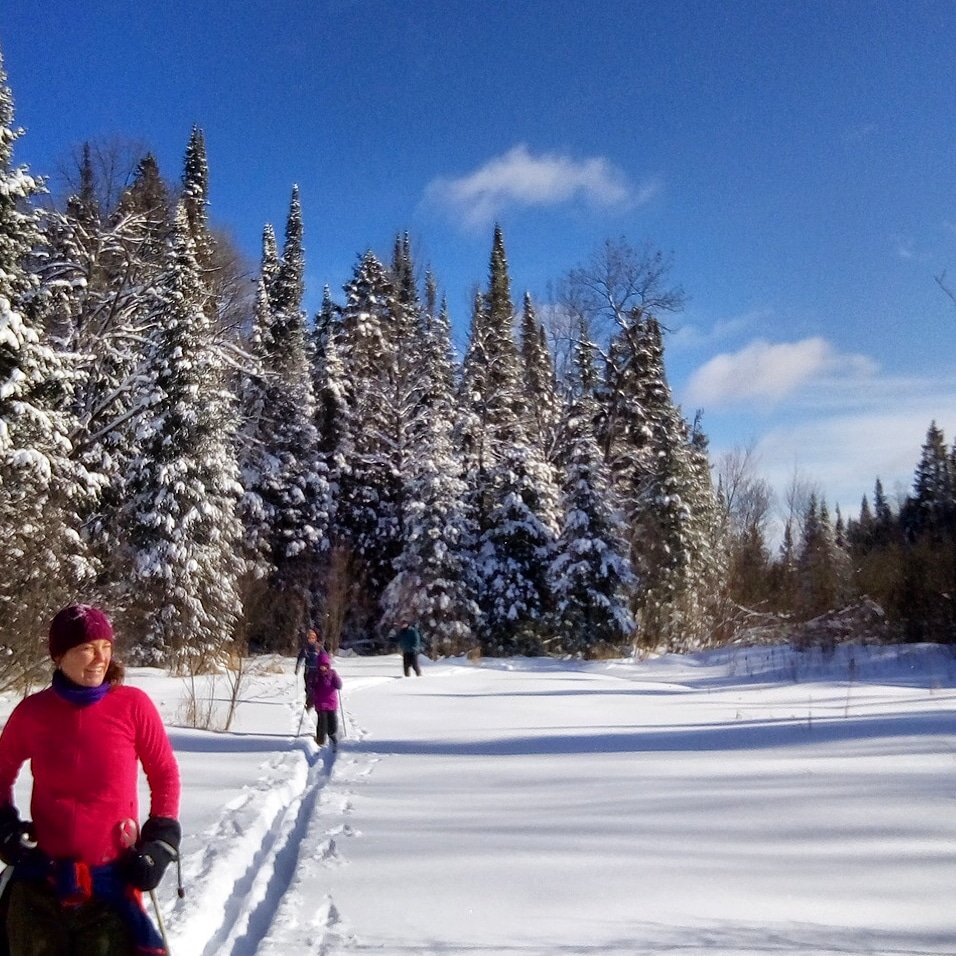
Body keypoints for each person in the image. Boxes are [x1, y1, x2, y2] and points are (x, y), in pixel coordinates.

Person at [0, 604, 181, 956]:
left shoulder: (133, 706)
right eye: (87, 648)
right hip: (44, 883)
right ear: (59, 656)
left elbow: (164, 773)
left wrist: (160, 840)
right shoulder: (33, 713)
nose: (100, 658)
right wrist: (4, 826)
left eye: (106, 647)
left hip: (111, 882)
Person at [308, 651, 342, 749]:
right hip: (320, 702)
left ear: (328, 665)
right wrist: (311, 686)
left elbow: (339, 685)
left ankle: (332, 735)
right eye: (321, 666)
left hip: (331, 702)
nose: (323, 667)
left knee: (332, 722)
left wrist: (337, 681)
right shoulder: (316, 675)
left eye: (325, 665)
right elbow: (310, 685)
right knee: (322, 722)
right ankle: (320, 740)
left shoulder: (332, 673)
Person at [294, 628, 322, 710]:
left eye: (313, 638)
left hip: (317, 671)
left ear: (315, 639)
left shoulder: (319, 647)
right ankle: (309, 702)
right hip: (308, 670)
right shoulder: (305, 648)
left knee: (316, 687)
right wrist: (297, 668)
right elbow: (300, 658)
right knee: (308, 687)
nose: (311, 640)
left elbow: (324, 658)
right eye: (310, 638)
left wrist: (326, 667)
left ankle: (314, 702)